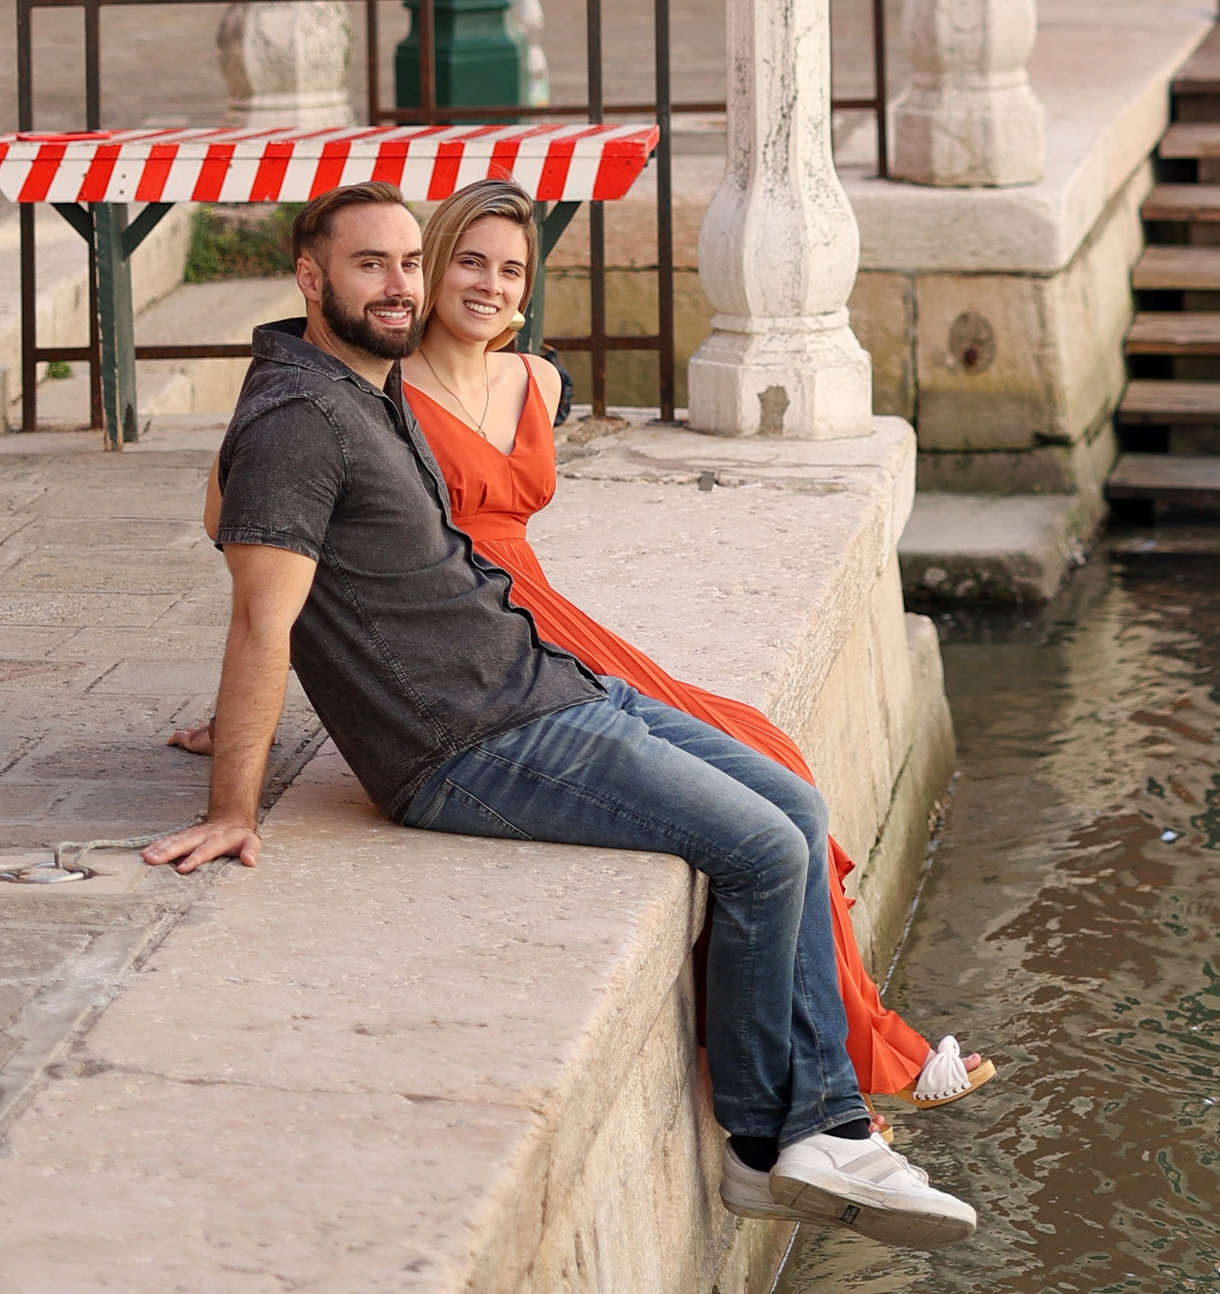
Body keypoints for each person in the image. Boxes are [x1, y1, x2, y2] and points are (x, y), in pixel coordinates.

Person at [144, 183, 976, 1253]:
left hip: (541, 680)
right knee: (765, 850)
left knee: (794, 800)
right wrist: (234, 801)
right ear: (310, 278)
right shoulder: (296, 418)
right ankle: (796, 1136)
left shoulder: (365, 382)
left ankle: (806, 1136)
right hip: (468, 742)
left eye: (409, 262)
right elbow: (265, 618)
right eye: (370, 266)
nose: (400, 286)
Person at [398, 184, 991, 1112]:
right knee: (748, 788)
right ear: (434, 263)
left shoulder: (538, 383)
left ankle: (856, 1039)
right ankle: (861, 1065)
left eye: (510, 268)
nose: (489, 282)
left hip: (550, 608)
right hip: (479, 627)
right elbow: (269, 534)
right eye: (470, 260)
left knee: (770, 751)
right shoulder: (385, 391)